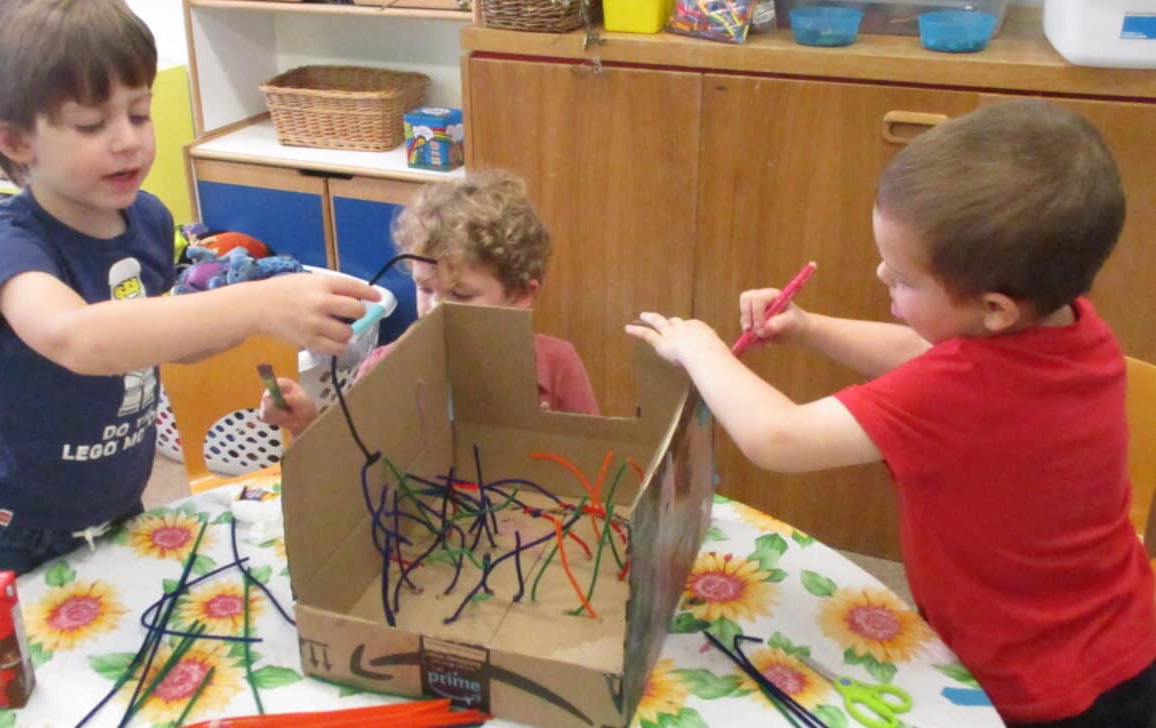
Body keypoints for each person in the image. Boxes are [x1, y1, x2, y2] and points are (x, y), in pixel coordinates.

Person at [626, 99, 1156, 727]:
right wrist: (809, 328)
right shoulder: (1069, 327)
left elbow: (780, 438)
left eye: (903, 279)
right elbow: (922, 351)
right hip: (1122, 633)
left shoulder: (968, 388)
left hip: (1042, 685)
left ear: (994, 308)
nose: (881, 275)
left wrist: (699, 349)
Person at [0, 0, 379, 613]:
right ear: (15, 141)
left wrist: (259, 318)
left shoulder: (146, 217)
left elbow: (160, 335)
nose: (127, 141)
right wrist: (253, 306)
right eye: (92, 125)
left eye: (139, 113)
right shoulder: (7, 244)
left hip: (115, 501)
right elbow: (79, 339)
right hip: (13, 524)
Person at [260, 170, 599, 433]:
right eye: (425, 288)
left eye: (460, 294)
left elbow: (594, 461)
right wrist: (306, 423)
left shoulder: (557, 367)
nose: (436, 307)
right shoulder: (383, 367)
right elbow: (351, 464)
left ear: (521, 294)